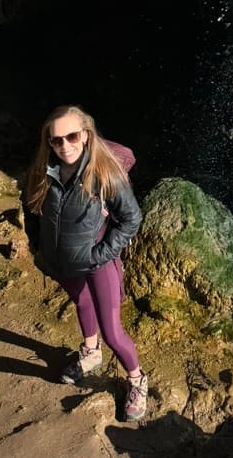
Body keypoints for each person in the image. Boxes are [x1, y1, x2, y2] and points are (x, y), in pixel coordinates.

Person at [24, 104, 148, 421]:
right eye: (56, 140)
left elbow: (131, 219)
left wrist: (102, 254)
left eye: (72, 136)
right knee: (81, 303)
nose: (65, 145)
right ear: (48, 142)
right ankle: (90, 354)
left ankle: (137, 380)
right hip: (60, 261)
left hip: (96, 262)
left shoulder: (103, 173)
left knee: (113, 331)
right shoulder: (44, 170)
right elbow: (30, 206)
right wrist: (37, 244)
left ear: (86, 135)